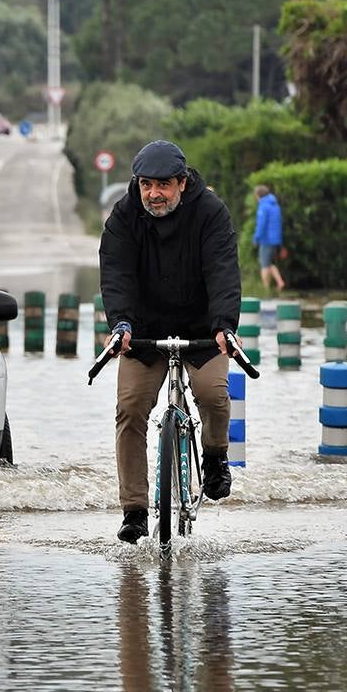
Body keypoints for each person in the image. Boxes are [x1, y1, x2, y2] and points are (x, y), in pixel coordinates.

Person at [99, 140, 241, 544]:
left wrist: (223, 325)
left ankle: (214, 458)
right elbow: (116, 274)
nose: (153, 194)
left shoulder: (211, 212)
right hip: (142, 333)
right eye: (146, 184)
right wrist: (121, 324)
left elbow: (223, 271)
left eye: (163, 185)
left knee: (213, 395)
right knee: (129, 409)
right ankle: (135, 511)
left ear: (182, 183)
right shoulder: (124, 216)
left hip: (202, 330)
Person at [252, 184, 285, 293]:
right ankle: (280, 282)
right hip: (275, 239)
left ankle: (265, 289)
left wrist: (256, 238)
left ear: (258, 195)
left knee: (264, 264)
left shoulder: (264, 206)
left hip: (266, 239)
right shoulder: (275, 205)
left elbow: (261, 225)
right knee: (270, 263)